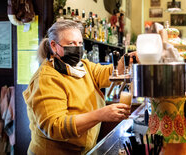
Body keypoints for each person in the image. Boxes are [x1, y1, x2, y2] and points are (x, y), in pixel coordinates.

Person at [23, 20, 137, 154]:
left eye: (80, 43)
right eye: (71, 43)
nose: (77, 48)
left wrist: (127, 60)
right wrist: (100, 114)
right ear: (53, 46)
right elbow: (55, 127)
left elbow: (106, 74)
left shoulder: (83, 66)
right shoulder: (46, 78)